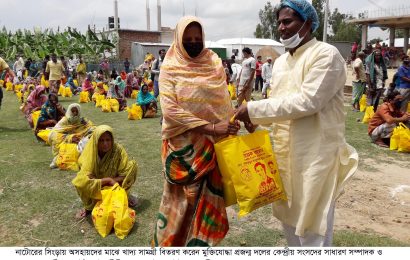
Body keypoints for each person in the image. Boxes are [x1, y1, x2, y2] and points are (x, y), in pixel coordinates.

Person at [234, 0, 358, 247]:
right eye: (279, 22)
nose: (281, 27)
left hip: (316, 157)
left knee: (313, 230)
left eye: (288, 21)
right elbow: (281, 107)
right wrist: (258, 125)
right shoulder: (280, 63)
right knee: (290, 225)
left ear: (308, 23)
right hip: (284, 157)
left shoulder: (325, 54)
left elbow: (307, 102)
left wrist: (254, 109)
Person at [153, 16, 241, 247]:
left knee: (207, 205)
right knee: (182, 205)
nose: (193, 42)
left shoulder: (213, 62)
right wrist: (211, 126)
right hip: (182, 151)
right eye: (188, 39)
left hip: (211, 148)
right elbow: (170, 110)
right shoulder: (170, 67)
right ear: (179, 40)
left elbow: (222, 100)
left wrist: (232, 120)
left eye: (197, 38)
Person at [72, 125, 138, 219]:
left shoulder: (118, 150)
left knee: (132, 167)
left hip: (115, 184)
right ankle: (89, 207)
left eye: (108, 140)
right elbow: (85, 178)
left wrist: (111, 180)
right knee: (80, 181)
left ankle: (123, 196)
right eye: (101, 141)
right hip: (98, 186)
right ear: (96, 141)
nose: (105, 144)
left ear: (112, 140)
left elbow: (126, 174)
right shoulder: (91, 153)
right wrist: (106, 180)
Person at [49, 103, 95, 168]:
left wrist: (88, 136)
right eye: (73, 111)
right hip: (67, 142)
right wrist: (70, 138)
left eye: (76, 111)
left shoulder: (82, 121)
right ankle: (58, 160)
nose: (75, 113)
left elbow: (92, 127)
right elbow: (53, 134)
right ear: (69, 111)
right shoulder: (64, 121)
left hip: (80, 140)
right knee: (69, 150)